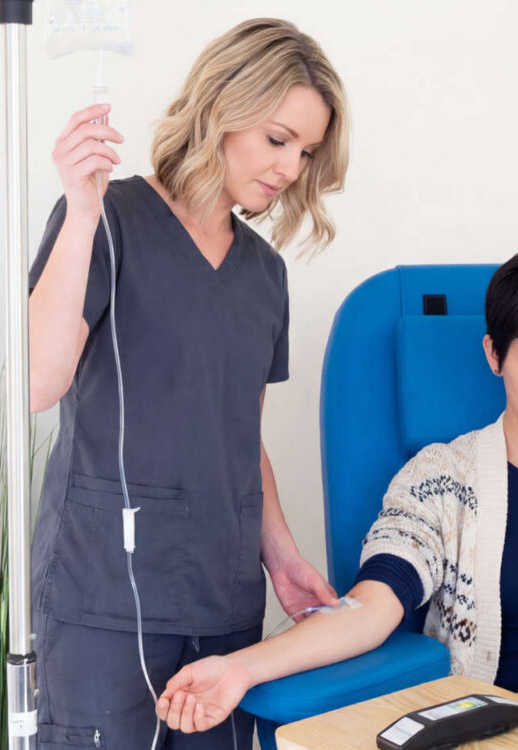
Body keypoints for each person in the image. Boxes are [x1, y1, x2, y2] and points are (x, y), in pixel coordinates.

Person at [155, 251, 518, 750]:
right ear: (494, 355)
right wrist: (239, 669)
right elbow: (372, 608)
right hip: (508, 728)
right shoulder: (441, 479)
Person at [27, 18, 349, 749]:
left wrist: (284, 557)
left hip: (222, 601)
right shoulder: (106, 219)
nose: (291, 167)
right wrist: (79, 209)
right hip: (103, 594)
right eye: (278, 139)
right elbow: (39, 384)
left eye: (305, 151)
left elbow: (241, 436)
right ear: (220, 108)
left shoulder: (264, 275)